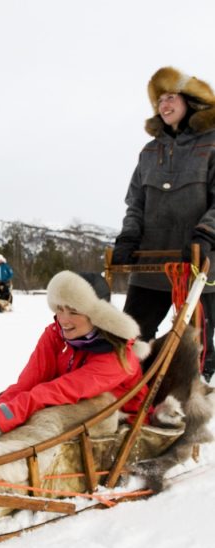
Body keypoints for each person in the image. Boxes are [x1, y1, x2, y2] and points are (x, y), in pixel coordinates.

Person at [111, 66, 215, 380]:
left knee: (195, 345)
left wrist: (206, 233)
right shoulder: (149, 151)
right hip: (151, 262)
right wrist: (129, 236)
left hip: (197, 262)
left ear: (190, 102)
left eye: (171, 97)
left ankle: (192, 407)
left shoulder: (211, 144)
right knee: (131, 338)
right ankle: (130, 399)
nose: (164, 105)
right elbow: (135, 203)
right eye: (159, 101)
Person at [0, 271, 149, 437]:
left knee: (40, 418)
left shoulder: (118, 358)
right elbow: (28, 383)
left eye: (74, 312)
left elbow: (59, 390)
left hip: (121, 420)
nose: (64, 320)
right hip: (69, 404)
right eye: (60, 309)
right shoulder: (55, 335)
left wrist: (2, 418)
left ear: (98, 317)